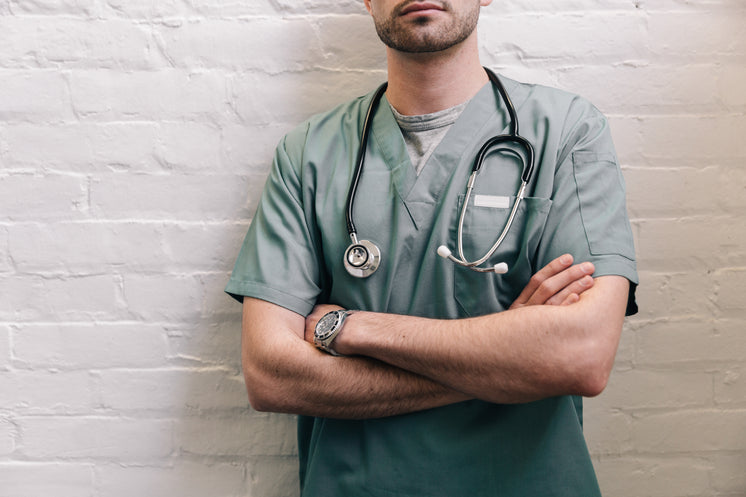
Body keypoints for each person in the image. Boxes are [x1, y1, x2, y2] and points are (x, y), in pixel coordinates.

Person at [226, 0, 638, 495]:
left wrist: (355, 329)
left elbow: (582, 357)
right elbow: (271, 377)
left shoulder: (568, 130)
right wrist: (511, 355)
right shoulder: (308, 154)